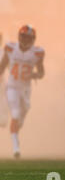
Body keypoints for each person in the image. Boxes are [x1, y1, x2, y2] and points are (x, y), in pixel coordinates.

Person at [0, 25, 45, 158]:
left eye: (28, 37)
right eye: (23, 36)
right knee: (15, 113)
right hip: (12, 86)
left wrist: (34, 75)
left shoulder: (37, 53)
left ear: (33, 39)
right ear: (19, 36)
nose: (25, 40)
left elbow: (41, 73)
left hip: (26, 88)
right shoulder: (10, 48)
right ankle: (16, 147)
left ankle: (17, 129)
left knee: (24, 110)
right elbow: (2, 66)